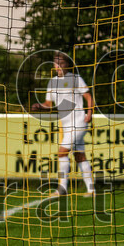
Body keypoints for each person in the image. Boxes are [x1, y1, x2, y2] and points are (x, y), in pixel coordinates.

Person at [31, 52, 96, 198]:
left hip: (79, 122)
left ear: (67, 65)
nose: (59, 66)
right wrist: (40, 106)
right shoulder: (52, 82)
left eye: (62, 63)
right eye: (56, 63)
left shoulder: (75, 78)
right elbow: (48, 104)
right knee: (80, 156)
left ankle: (61, 189)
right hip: (66, 126)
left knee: (62, 152)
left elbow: (88, 96)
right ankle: (91, 190)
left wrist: (90, 113)